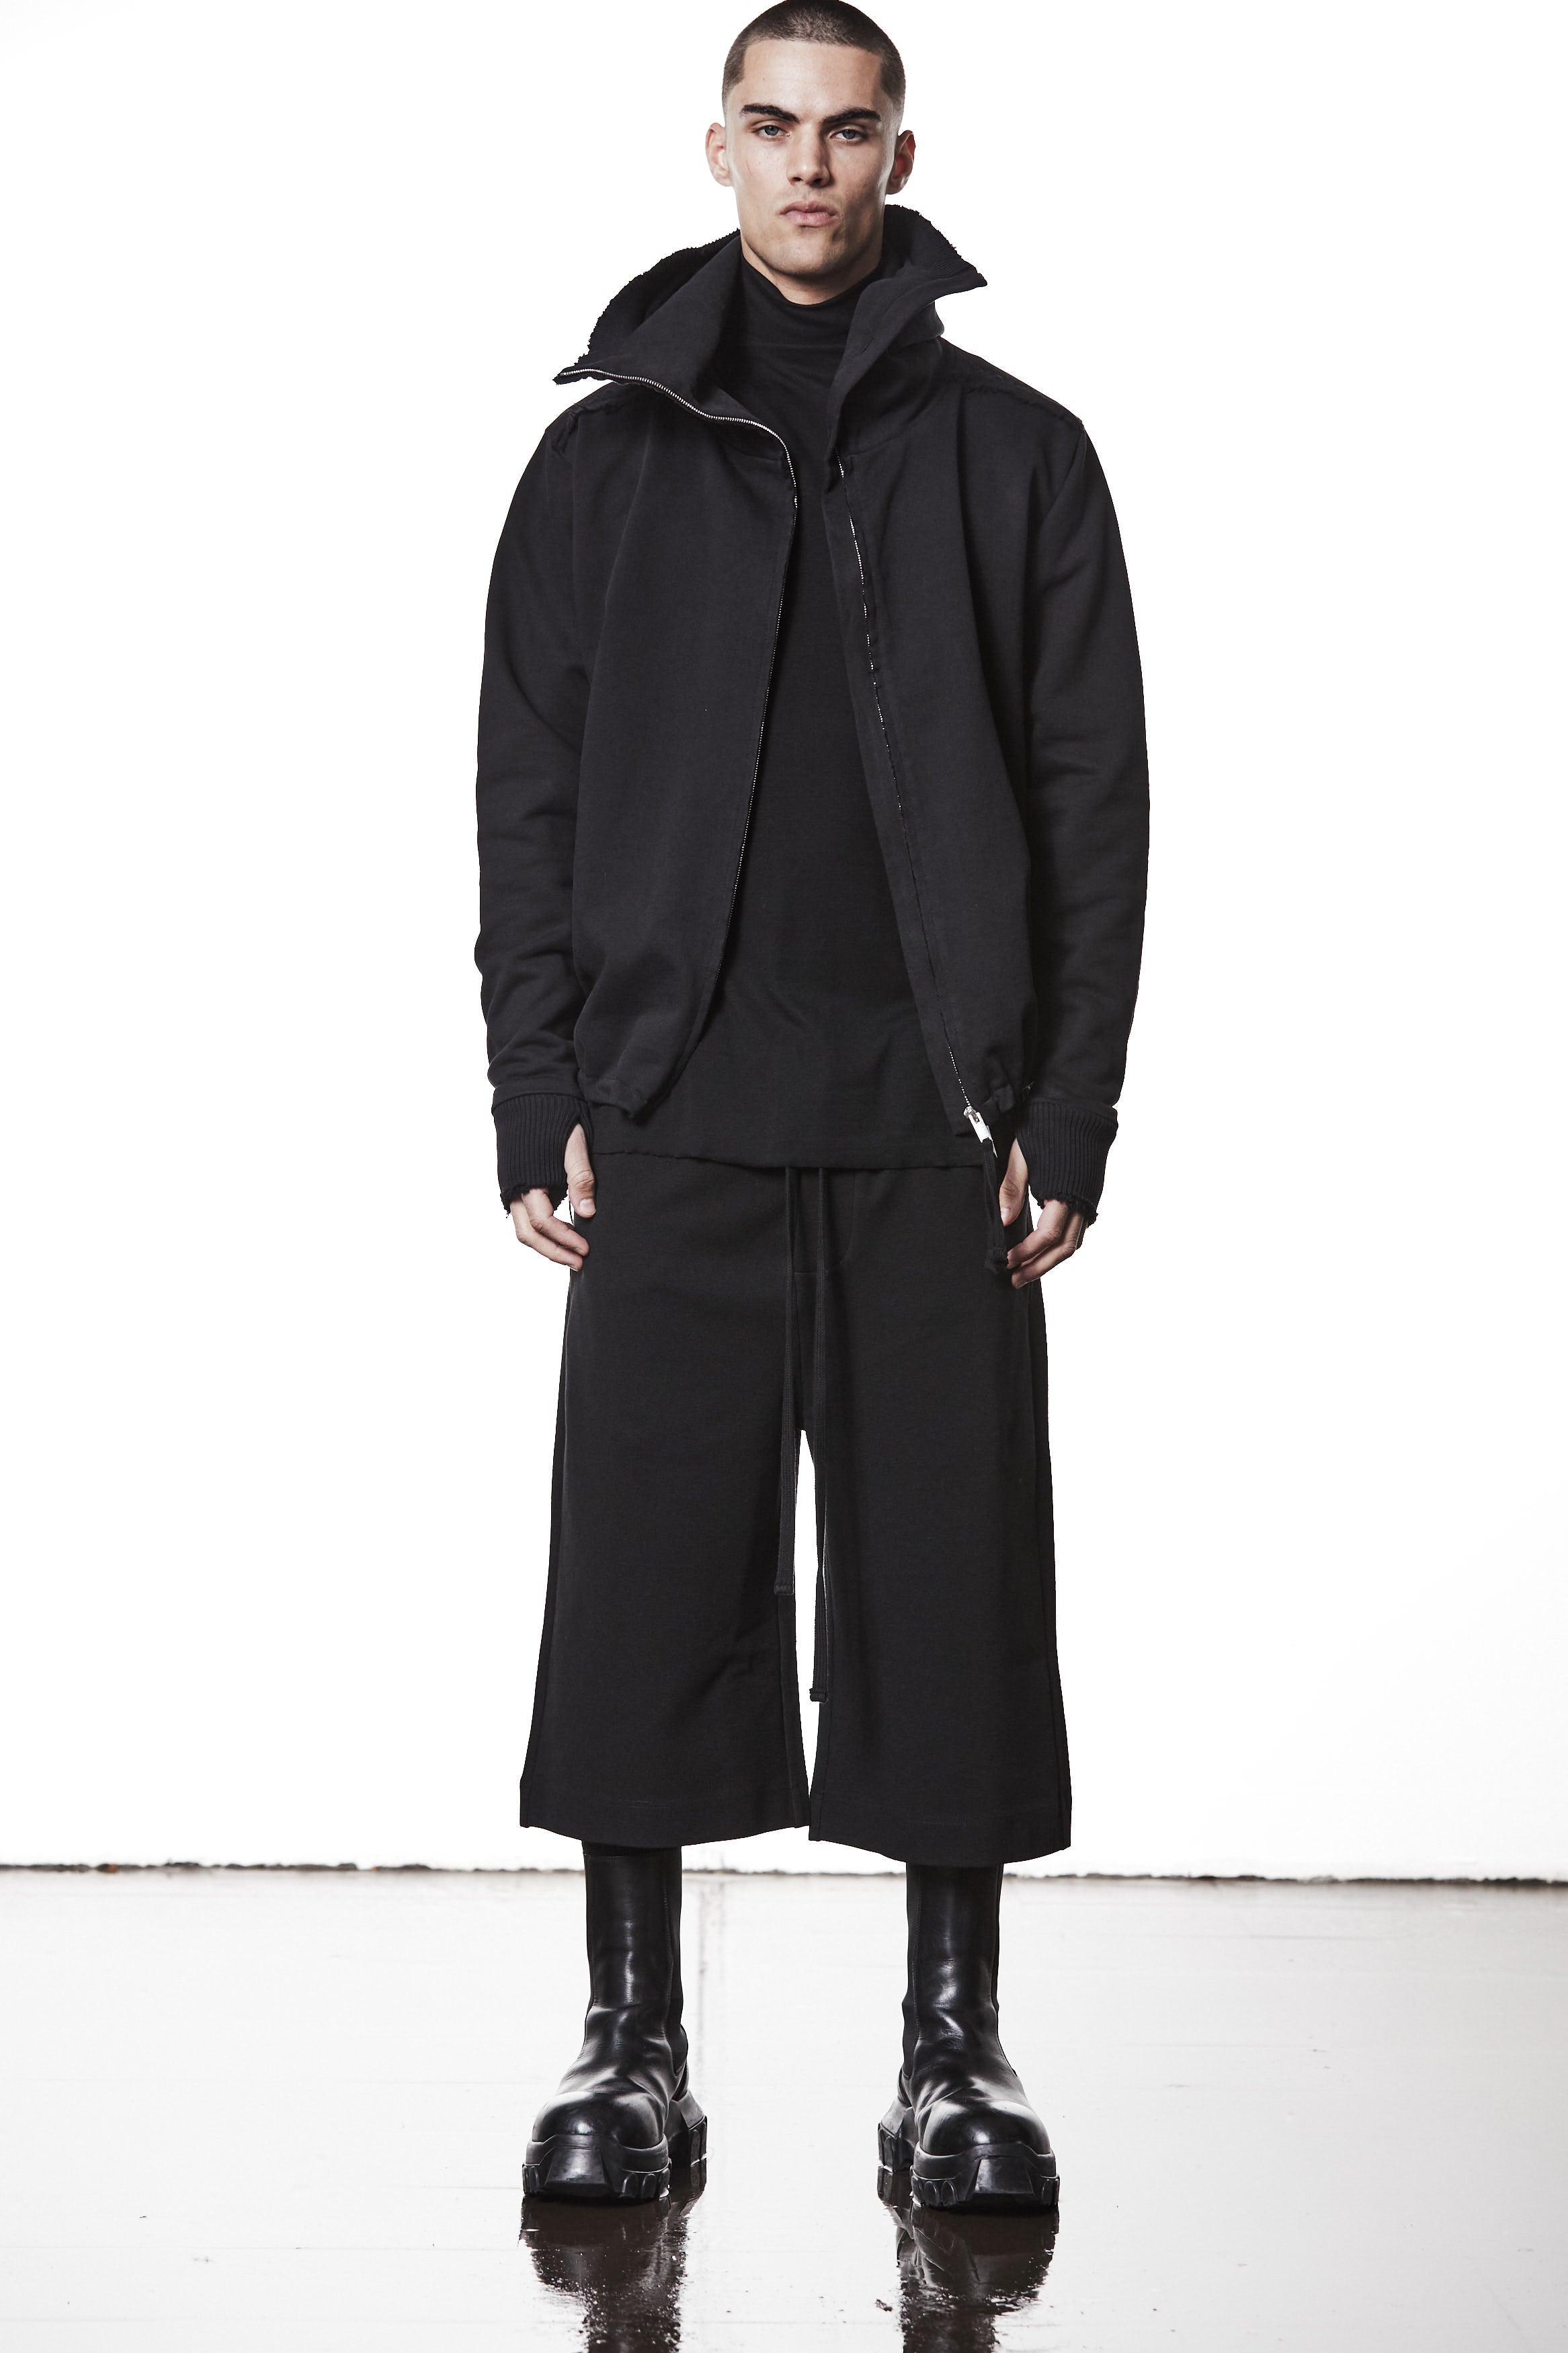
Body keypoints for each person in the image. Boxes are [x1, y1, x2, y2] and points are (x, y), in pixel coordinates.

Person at [476, 0, 1147, 2212]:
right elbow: (527, 791)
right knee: (645, 1576)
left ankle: (955, 2049)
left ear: (899, 156)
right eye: (772, 128)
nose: (810, 168)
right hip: (671, 1095)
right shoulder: (602, 463)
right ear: (717, 149)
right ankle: (632, 2039)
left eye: (849, 132)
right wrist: (539, 1082)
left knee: (951, 1581)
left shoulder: (1018, 455)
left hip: (937, 1109)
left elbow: (1094, 802)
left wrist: (1069, 1101)